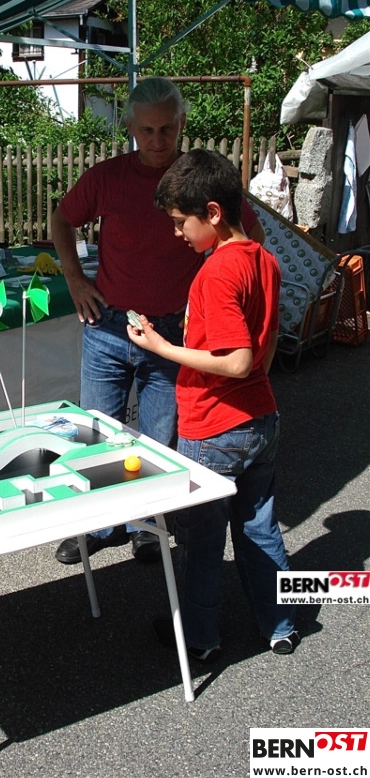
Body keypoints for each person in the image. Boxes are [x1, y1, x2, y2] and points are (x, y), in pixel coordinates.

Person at [52, 77, 265, 565]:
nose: (157, 140)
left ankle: (145, 524)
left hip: (172, 333)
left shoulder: (199, 182)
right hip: (107, 325)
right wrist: (75, 279)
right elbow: (61, 219)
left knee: (158, 438)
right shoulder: (107, 177)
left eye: (166, 128)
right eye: (146, 130)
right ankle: (98, 523)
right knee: (97, 432)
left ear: (182, 124)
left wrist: (225, 299)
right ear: (129, 127)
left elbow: (248, 237)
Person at [126, 148, 297, 659]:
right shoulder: (263, 258)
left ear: (214, 213)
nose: (177, 232)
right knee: (259, 526)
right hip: (261, 419)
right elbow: (264, 348)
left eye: (182, 222)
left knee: (200, 538)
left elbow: (238, 360)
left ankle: (199, 638)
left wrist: (161, 347)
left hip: (214, 427)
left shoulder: (217, 272)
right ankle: (281, 625)